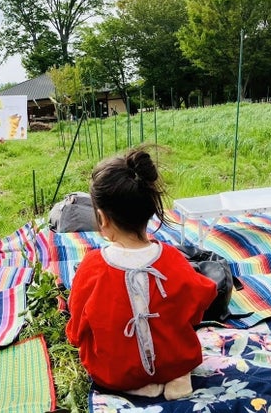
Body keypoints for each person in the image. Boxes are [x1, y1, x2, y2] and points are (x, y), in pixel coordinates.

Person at [66, 148, 217, 400]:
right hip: (175, 360)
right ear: (149, 211)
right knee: (179, 348)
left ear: (101, 218)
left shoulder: (92, 266)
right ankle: (178, 377)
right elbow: (201, 299)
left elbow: (77, 327)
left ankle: (134, 384)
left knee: (105, 358)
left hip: (116, 370)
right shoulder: (172, 258)